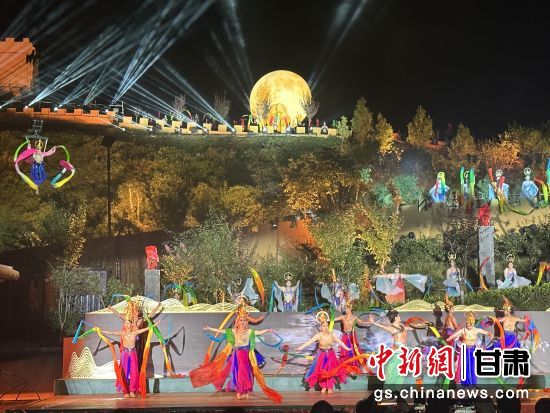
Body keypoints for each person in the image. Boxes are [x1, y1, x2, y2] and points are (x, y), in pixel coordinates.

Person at [190, 307, 281, 401]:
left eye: (244, 320)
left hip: (246, 355)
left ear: (247, 322)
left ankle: (245, 391)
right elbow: (221, 331)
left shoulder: (250, 331)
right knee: (238, 374)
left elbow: (259, 332)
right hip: (237, 354)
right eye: (241, 320)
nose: (243, 322)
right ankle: (240, 391)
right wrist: (209, 328)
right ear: (237, 322)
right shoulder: (234, 331)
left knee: (245, 373)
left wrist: (267, 330)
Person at [296, 311, 354, 393]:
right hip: (322, 354)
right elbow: (310, 341)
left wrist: (347, 348)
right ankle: (323, 387)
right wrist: (300, 347)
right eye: (324, 326)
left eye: (326, 326)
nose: (325, 327)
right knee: (322, 371)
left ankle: (329, 387)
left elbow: (340, 342)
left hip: (330, 354)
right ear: (321, 327)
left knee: (330, 371)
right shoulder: (319, 335)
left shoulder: (332, 334)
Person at [102, 319, 160, 397]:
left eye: (128, 323)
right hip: (125, 354)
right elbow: (111, 333)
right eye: (125, 323)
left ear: (131, 325)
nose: (126, 324)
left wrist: (154, 325)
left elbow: (145, 329)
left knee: (134, 372)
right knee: (125, 373)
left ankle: (132, 390)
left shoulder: (134, 333)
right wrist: (101, 331)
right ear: (124, 325)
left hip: (133, 353)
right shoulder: (122, 333)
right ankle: (125, 391)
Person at [367, 309, 413, 385]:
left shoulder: (402, 326)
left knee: (400, 372)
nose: (399, 317)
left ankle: (397, 389)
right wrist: (373, 322)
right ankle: (389, 387)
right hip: (396, 353)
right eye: (398, 316)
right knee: (391, 370)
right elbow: (382, 326)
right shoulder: (392, 328)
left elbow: (411, 328)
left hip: (403, 353)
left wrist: (423, 325)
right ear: (395, 318)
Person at [446, 312, 492, 385]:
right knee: (465, 366)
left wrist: (491, 335)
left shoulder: (476, 330)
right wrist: (448, 339)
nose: (469, 326)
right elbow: (453, 336)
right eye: (468, 324)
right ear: (466, 323)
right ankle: (464, 382)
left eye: (471, 324)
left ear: (473, 323)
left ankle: (473, 383)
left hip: (473, 350)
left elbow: (487, 333)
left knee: (473, 366)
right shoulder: (463, 330)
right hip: (465, 350)